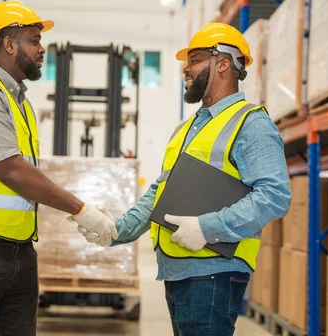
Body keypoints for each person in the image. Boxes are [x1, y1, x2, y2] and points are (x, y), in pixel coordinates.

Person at [77, 23, 291, 336]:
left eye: (194, 60)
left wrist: (207, 228)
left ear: (222, 63)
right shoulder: (186, 130)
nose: (185, 69)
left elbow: (274, 196)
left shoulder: (252, 124)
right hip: (179, 270)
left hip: (214, 272)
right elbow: (159, 193)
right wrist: (118, 230)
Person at [0, 0, 118, 336]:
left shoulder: (19, 102)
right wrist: (81, 209)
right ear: (8, 44)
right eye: (34, 40)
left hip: (18, 249)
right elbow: (12, 170)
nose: (41, 49)